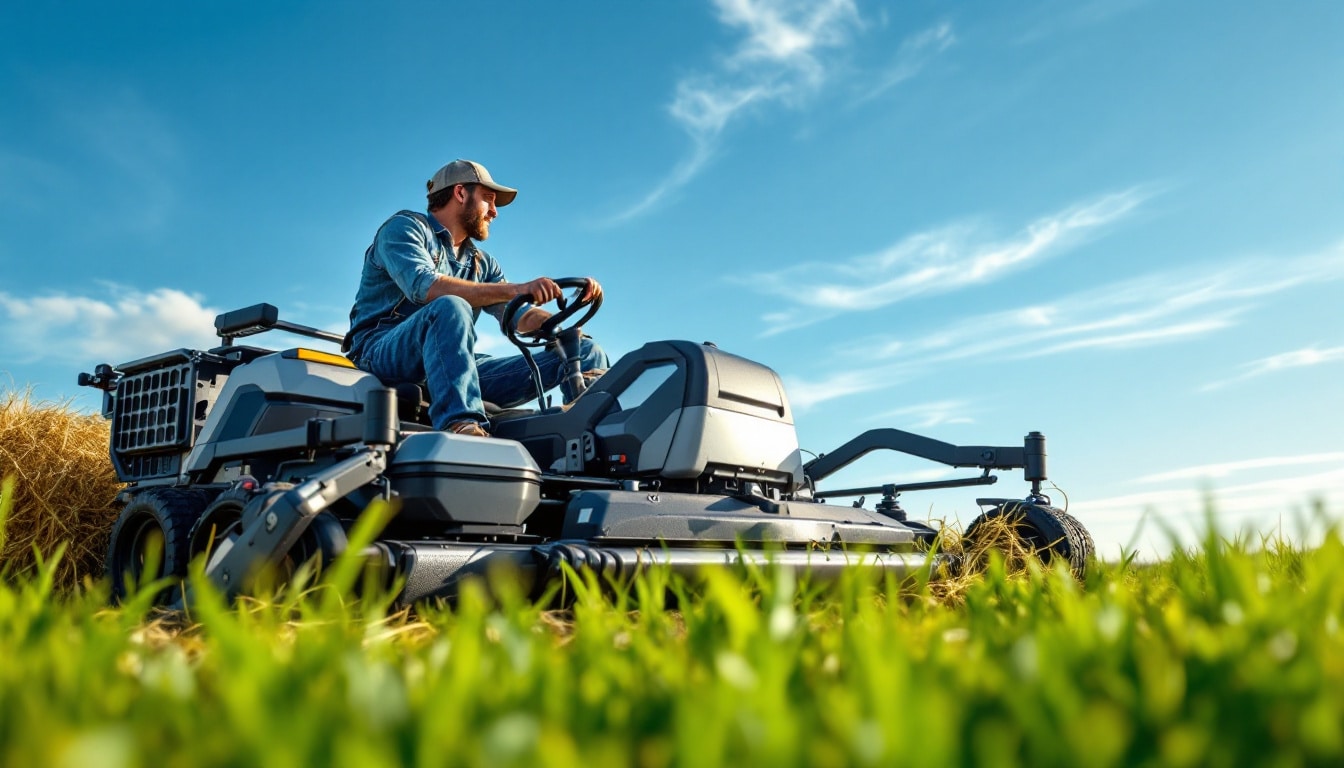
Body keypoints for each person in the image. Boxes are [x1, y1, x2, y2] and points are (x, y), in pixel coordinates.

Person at [344, 159, 607, 437]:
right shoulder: (404, 228)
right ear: (460, 193)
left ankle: (587, 434)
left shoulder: (482, 264)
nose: (494, 212)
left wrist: (567, 327)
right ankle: (462, 425)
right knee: (450, 305)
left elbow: (520, 316)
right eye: (489, 200)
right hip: (380, 353)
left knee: (583, 349)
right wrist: (517, 288)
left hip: (453, 365)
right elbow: (425, 286)